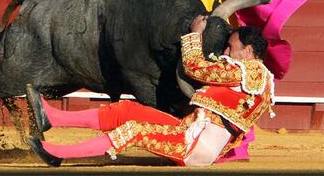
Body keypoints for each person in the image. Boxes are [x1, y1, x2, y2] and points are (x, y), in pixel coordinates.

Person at [26, 15, 276, 167]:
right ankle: (55, 118)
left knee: (134, 131)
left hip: (195, 146)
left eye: (231, 48)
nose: (225, 54)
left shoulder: (251, 71)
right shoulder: (253, 76)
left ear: (250, 51)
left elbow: (195, 68)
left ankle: (59, 154)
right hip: (190, 133)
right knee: (127, 111)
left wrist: (194, 35)